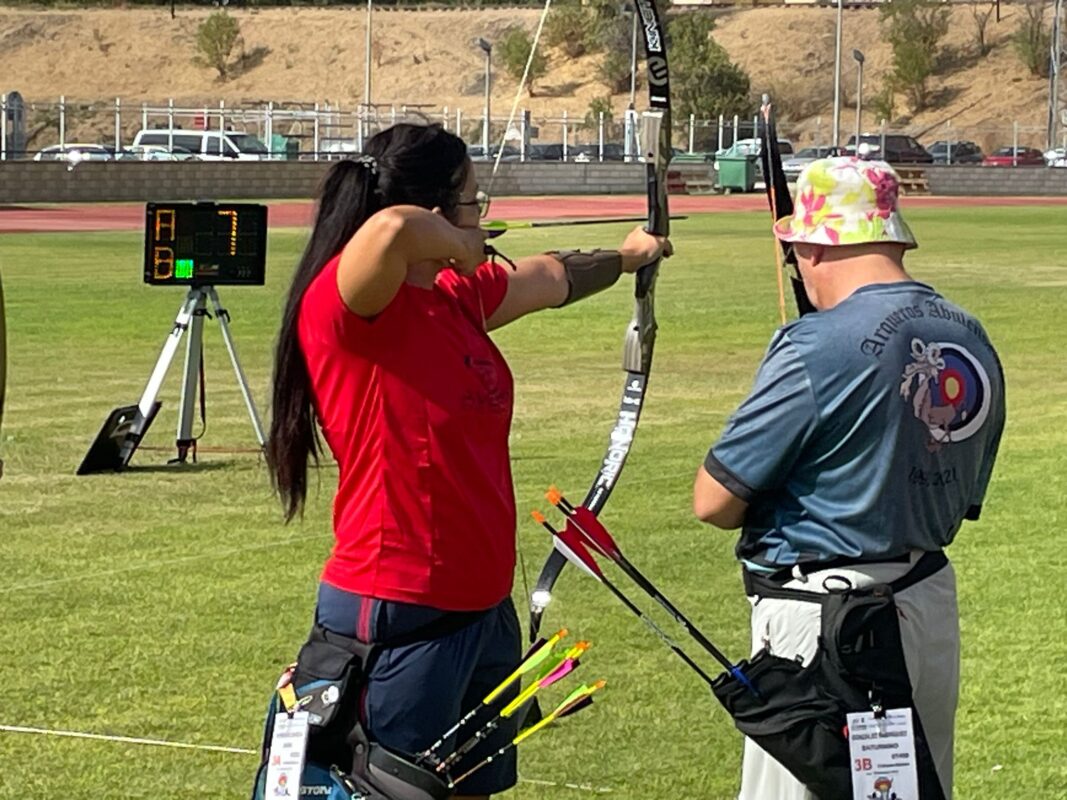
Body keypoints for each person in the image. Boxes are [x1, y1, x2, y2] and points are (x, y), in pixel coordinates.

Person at [265, 122, 670, 800]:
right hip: (396, 611)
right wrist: (456, 242)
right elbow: (392, 232)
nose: (481, 216)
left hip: (480, 611)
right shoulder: (348, 306)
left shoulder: (451, 299)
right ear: (433, 208)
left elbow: (548, 276)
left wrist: (629, 257)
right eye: (472, 201)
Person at [692, 156, 1005, 800]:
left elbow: (714, 500)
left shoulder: (817, 344)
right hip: (924, 605)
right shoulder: (970, 335)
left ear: (812, 247)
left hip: (822, 628)